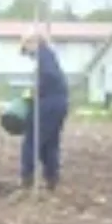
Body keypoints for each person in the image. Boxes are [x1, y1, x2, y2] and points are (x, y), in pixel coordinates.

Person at [19, 31, 69, 190]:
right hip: (60, 102)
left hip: (49, 103)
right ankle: (51, 179)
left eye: (27, 50)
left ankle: (27, 180)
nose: (29, 55)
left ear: (33, 43)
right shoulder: (49, 55)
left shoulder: (44, 56)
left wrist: (36, 92)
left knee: (31, 141)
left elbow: (49, 76)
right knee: (50, 143)